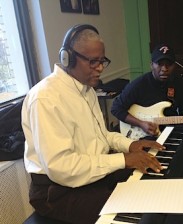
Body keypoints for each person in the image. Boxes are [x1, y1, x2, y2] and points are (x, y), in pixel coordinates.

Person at [21, 24, 165, 224]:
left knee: (150, 186)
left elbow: (101, 134)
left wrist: (130, 145)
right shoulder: (45, 98)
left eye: (102, 61)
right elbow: (62, 167)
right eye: (93, 62)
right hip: (56, 191)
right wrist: (123, 159)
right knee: (136, 212)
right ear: (68, 58)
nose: (100, 68)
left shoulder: (86, 89)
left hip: (89, 175)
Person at [111, 44, 179, 137]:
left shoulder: (177, 83)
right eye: (159, 64)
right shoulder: (138, 84)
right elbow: (116, 108)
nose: (164, 69)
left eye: (169, 65)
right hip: (144, 135)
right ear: (151, 65)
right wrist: (140, 123)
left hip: (168, 131)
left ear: (174, 66)